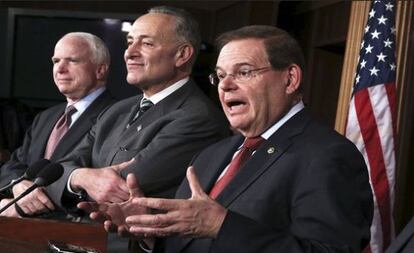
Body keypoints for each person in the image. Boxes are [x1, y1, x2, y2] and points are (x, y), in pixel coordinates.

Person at [80, 25, 374, 253]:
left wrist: (222, 225)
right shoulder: (212, 154)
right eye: (220, 76)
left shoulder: (328, 155)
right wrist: (152, 231)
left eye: (243, 72)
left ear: (290, 79)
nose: (226, 86)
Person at [41, 5, 229, 219]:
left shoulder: (199, 118)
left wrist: (76, 178)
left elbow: (125, 187)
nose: (130, 53)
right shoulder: (116, 111)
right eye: (130, 42)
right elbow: (56, 172)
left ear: (182, 54)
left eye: (146, 43)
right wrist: (80, 176)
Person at [0, 32, 116, 217]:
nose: (60, 69)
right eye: (56, 61)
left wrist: (20, 207)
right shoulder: (46, 117)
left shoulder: (117, 115)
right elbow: (14, 164)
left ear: (100, 70)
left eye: (72, 61)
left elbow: (98, 184)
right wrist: (18, 184)